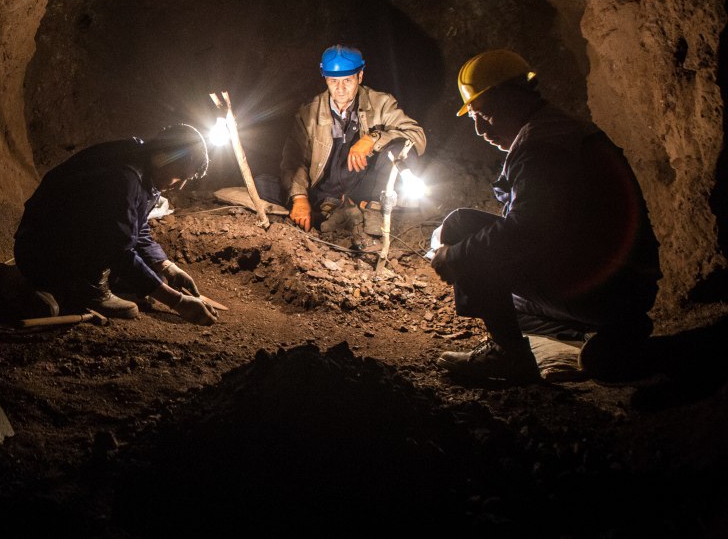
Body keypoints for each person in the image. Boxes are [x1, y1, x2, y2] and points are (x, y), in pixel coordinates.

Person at [430, 50, 662, 383]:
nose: (479, 129)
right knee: (500, 296)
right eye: (473, 119)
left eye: (484, 114)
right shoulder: (556, 129)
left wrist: (456, 254)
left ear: (512, 97)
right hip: (622, 284)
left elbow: (526, 231)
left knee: (460, 228)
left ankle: (509, 355)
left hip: (604, 289)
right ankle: (616, 328)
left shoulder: (543, 147)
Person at [14, 124, 221, 325]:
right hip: (41, 250)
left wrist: (167, 267)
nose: (180, 185)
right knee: (138, 278)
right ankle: (77, 287)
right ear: (167, 156)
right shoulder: (125, 177)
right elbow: (119, 249)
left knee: (153, 275)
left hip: (56, 241)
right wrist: (178, 302)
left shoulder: (145, 164)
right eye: (180, 176)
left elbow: (134, 227)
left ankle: (74, 283)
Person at [278, 45, 426, 239]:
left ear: (360, 76)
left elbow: (416, 135)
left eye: (347, 80)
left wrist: (373, 138)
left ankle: (373, 207)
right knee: (267, 185)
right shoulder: (309, 113)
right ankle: (333, 207)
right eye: (334, 81)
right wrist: (299, 198)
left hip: (366, 184)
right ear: (325, 79)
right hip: (324, 188)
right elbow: (293, 159)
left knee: (400, 147)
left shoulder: (381, 103)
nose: (340, 89)